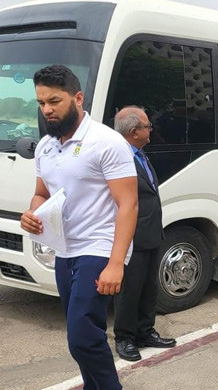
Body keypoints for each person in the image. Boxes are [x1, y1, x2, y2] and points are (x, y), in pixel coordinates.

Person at [21, 65, 138, 390]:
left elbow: (128, 204)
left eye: (54, 101)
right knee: (83, 336)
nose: (47, 109)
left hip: (99, 248)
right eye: (41, 102)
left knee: (83, 336)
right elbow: (41, 195)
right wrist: (32, 214)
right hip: (65, 251)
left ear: (77, 97)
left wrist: (116, 263)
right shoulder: (46, 146)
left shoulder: (106, 142)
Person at [113, 107, 176, 361]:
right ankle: (125, 338)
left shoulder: (140, 154)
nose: (152, 130)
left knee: (149, 288)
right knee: (129, 290)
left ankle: (145, 331)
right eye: (148, 126)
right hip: (132, 236)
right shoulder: (119, 158)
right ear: (133, 131)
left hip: (151, 233)